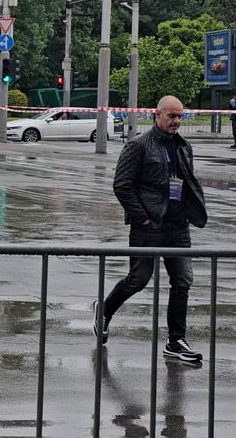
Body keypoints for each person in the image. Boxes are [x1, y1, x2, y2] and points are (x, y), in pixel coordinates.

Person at [94, 95, 207, 363]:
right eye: (171, 116)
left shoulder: (183, 146)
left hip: (178, 226)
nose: (176, 121)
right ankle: (105, 311)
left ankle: (175, 341)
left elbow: (186, 181)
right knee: (138, 279)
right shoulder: (139, 146)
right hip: (149, 226)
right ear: (157, 115)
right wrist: (142, 218)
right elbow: (122, 185)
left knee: (182, 281)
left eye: (180, 116)